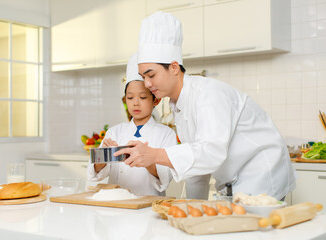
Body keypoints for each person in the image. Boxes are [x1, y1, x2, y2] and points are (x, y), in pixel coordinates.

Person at [115, 11, 297, 200]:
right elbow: (197, 169)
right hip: (234, 181)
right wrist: (192, 206)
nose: (147, 84)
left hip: (261, 175)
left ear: (174, 68)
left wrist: (154, 155)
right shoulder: (179, 105)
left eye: (151, 75)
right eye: (143, 77)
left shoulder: (208, 94)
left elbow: (211, 151)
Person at [87, 53, 177, 196]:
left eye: (142, 97)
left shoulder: (166, 134)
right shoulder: (114, 132)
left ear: (156, 101)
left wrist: (148, 160)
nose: (135, 103)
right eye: (130, 97)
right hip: (116, 204)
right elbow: (96, 174)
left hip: (148, 206)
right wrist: (103, 156)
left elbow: (165, 179)